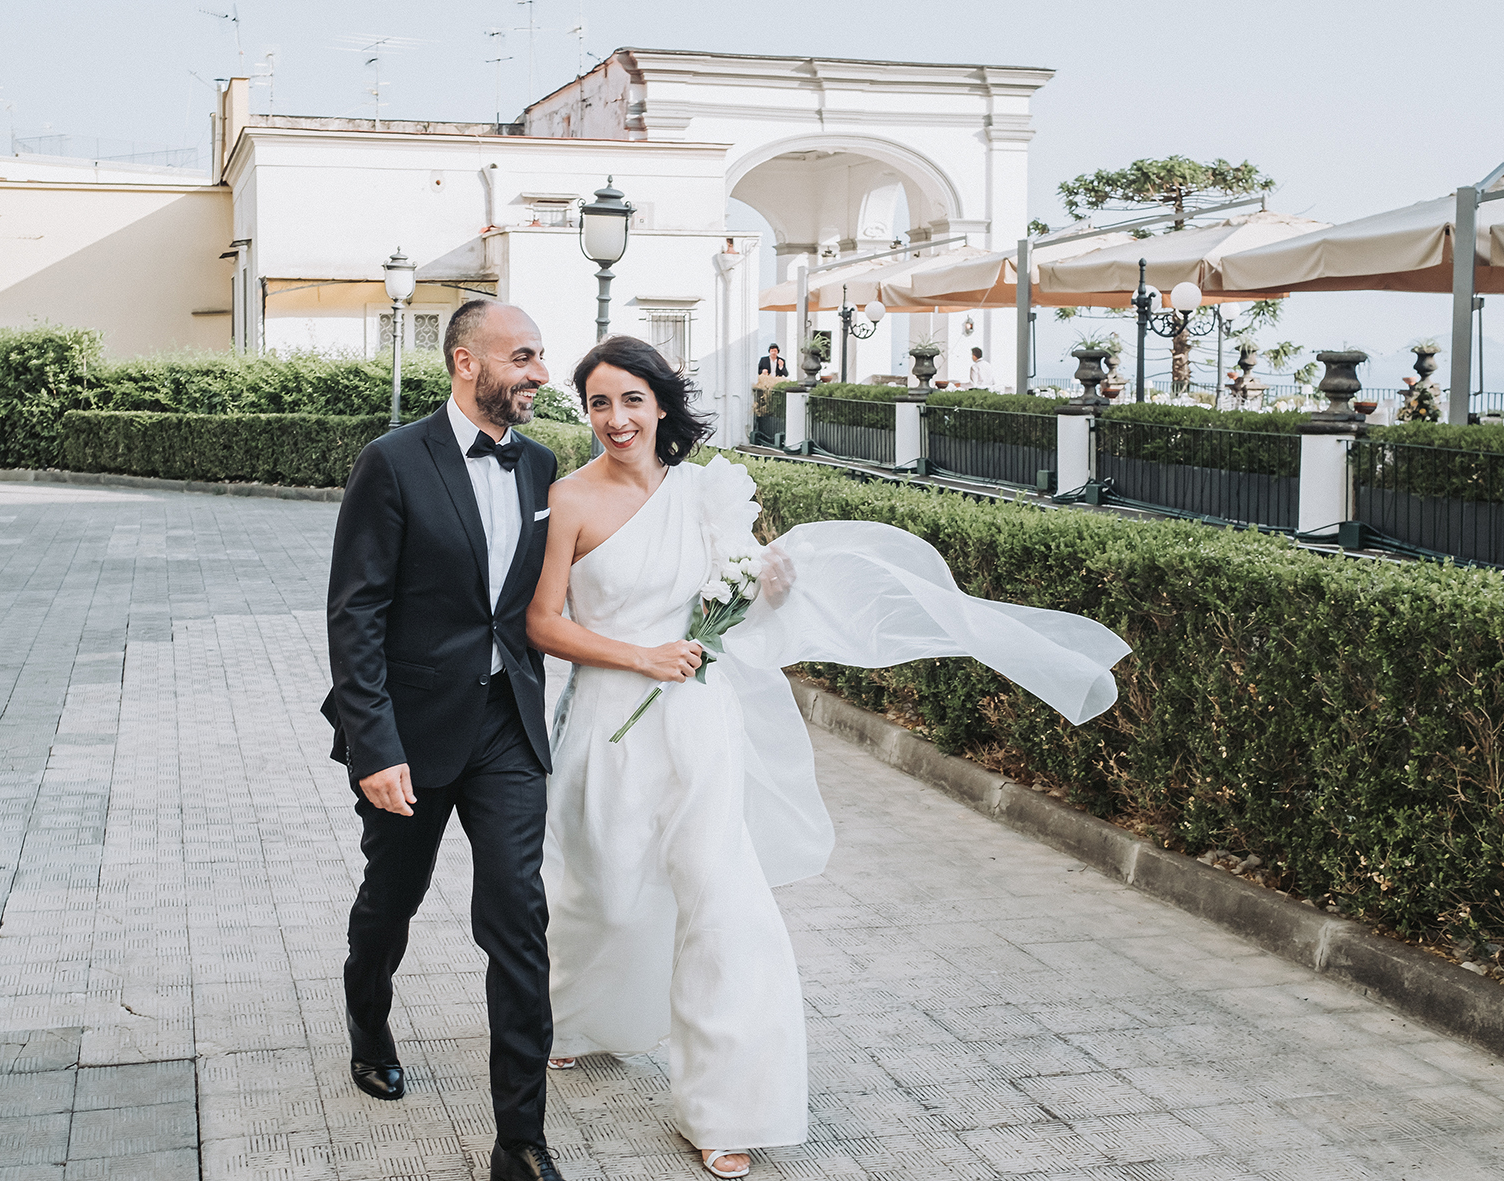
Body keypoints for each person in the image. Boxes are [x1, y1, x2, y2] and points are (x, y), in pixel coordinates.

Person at [527, 335, 1130, 1179]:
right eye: (599, 402)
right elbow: (542, 623)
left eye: (633, 399)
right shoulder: (571, 498)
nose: (617, 419)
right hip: (608, 719)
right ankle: (580, 1014)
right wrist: (639, 656)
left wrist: (765, 582)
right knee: (606, 891)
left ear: (661, 404)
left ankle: (727, 1105)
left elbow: (734, 599)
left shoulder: (706, 492)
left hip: (699, 719)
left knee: (722, 901)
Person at [323, 299, 567, 1181]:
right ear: (466, 361)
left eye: (541, 355)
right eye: (525, 355)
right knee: (393, 897)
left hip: (507, 728)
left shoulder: (543, 466)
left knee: (518, 917)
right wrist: (373, 746)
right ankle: (368, 1019)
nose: (540, 371)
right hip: (412, 734)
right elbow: (355, 614)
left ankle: (521, 1140)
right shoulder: (391, 462)